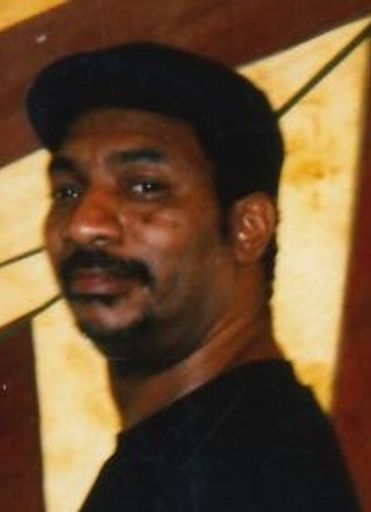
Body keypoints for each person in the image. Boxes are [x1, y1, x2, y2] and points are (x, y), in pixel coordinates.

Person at [26, 43, 359, 511]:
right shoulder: (212, 450)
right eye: (67, 191)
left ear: (248, 228)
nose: (83, 224)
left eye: (145, 187)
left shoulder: (239, 472)